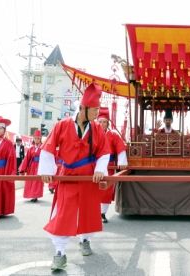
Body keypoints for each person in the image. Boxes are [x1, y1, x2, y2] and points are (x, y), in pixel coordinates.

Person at [37, 82, 110, 271]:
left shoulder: (97, 129)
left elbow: (104, 152)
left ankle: (85, 240)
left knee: (87, 211)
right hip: (68, 176)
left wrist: (100, 170)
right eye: (95, 110)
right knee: (63, 214)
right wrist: (47, 172)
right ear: (83, 108)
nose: (97, 114)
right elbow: (49, 148)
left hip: (89, 178)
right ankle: (60, 252)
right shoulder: (62, 125)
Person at [97, 107, 128, 223]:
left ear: (107, 123)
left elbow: (120, 149)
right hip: (93, 165)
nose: (102, 124)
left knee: (106, 190)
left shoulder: (114, 135)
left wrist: (122, 163)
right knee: (92, 189)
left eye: (104, 122)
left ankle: (102, 213)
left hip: (108, 165)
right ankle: (92, 212)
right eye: (100, 122)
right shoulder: (92, 134)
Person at [19, 130, 44, 202]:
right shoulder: (31, 149)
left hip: (40, 166)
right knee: (30, 180)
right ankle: (31, 195)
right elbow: (26, 159)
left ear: (40, 139)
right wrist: (22, 169)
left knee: (37, 181)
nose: (36, 140)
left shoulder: (43, 148)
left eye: (38, 138)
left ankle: (35, 195)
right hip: (32, 166)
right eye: (35, 138)